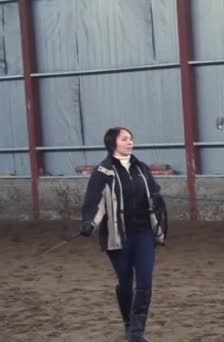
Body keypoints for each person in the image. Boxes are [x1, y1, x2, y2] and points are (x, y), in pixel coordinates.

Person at [80, 127, 166, 342]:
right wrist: (89, 222)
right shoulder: (103, 172)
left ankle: (137, 333)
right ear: (113, 143)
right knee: (126, 284)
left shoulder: (141, 168)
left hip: (143, 234)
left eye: (131, 139)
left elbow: (154, 192)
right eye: (125, 139)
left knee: (145, 282)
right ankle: (128, 324)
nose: (130, 142)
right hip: (117, 236)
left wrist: (157, 199)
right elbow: (94, 201)